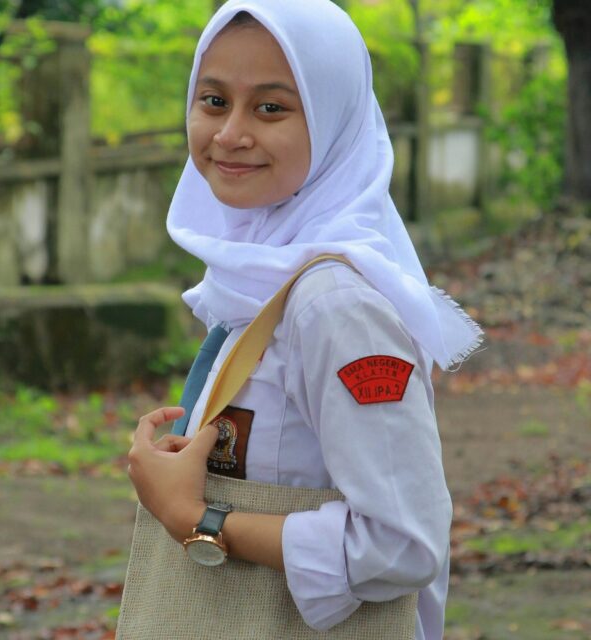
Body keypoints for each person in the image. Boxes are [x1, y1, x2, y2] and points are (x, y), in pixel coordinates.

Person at [126, 1, 483, 638]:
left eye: (270, 108)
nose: (230, 133)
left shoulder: (336, 304)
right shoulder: (259, 275)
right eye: (213, 101)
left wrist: (199, 520)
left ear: (333, 121)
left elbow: (402, 544)